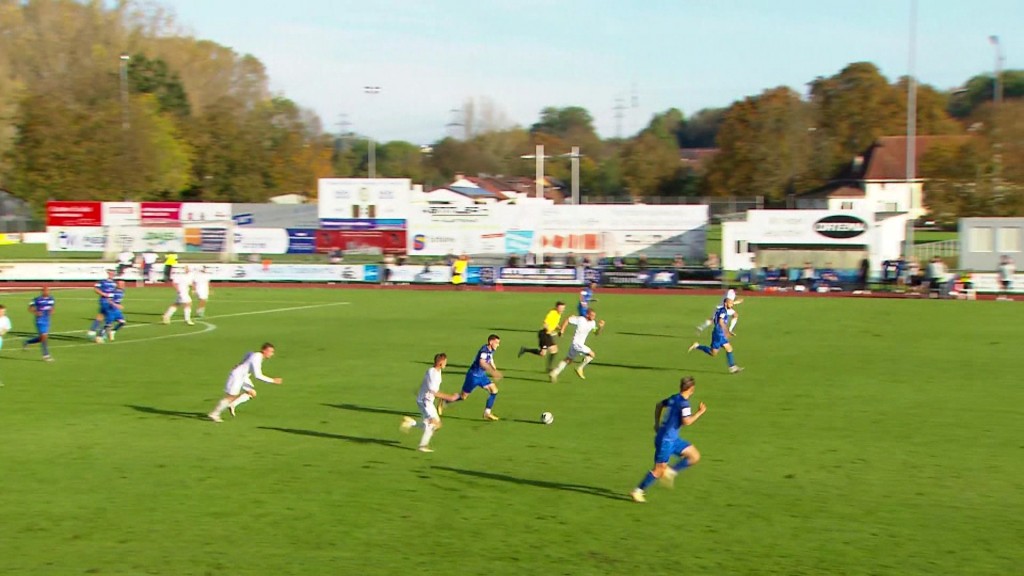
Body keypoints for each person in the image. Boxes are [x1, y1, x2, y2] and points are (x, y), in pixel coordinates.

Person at [629, 376, 706, 503]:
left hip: (672, 439)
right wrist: (700, 412)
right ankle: (638, 491)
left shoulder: (673, 398)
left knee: (694, 456)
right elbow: (687, 421)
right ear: (692, 389)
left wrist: (656, 423)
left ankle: (671, 472)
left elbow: (659, 405)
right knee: (659, 470)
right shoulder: (684, 404)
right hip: (666, 441)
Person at [207, 343, 283, 422]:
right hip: (237, 376)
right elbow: (257, 375)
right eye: (270, 351)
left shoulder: (255, 355)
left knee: (252, 393)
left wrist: (240, 363)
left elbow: (248, 354)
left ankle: (232, 404)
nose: (272, 354)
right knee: (231, 396)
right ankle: (214, 414)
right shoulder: (257, 357)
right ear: (264, 350)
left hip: (243, 376)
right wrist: (273, 380)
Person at [400, 353, 460, 452]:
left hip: (427, 401)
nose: (446, 364)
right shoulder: (432, 373)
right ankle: (422, 446)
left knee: (435, 424)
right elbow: (433, 392)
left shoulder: (437, 371)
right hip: (425, 401)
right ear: (440, 362)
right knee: (433, 424)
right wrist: (450, 397)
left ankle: (410, 423)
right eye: (445, 362)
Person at [439, 334, 503, 421]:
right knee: (463, 397)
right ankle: (444, 401)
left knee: (494, 390)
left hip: (482, 376)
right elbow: (482, 362)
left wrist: (494, 368)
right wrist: (492, 372)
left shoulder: (491, 350)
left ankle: (487, 413)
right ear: (491, 342)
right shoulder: (484, 351)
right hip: (473, 376)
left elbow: (490, 358)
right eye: (496, 343)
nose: (498, 345)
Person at [549, 308, 604, 382]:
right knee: (592, 354)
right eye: (592, 315)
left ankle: (554, 373)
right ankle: (580, 368)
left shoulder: (593, 323)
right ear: (587, 314)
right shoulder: (580, 319)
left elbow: (596, 333)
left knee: (568, 360)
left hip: (576, 345)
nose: (593, 317)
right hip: (577, 343)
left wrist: (600, 327)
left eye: (594, 316)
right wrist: (562, 330)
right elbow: (567, 320)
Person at [688, 299, 742, 374]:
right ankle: (697, 346)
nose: (732, 305)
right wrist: (726, 331)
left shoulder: (720, 310)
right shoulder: (723, 311)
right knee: (713, 353)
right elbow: (720, 321)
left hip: (720, 332)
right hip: (718, 334)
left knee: (729, 348)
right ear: (726, 303)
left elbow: (714, 319)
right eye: (730, 303)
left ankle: (732, 367)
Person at [518, 301, 566, 372]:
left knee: (543, 353)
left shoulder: (558, 314)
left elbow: (554, 323)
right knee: (553, 350)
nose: (562, 310)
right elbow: (545, 323)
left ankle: (525, 349)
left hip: (547, 335)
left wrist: (559, 328)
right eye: (560, 308)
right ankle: (549, 368)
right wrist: (549, 330)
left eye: (563, 308)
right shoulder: (552, 313)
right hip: (544, 334)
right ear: (556, 307)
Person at [24, 287, 55, 362]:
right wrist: (36, 312)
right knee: (44, 337)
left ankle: (27, 342)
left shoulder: (51, 299)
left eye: (48, 290)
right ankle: (46, 355)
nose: (47, 292)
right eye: (46, 290)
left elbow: (52, 307)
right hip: (40, 320)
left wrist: (51, 311)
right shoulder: (36, 299)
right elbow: (30, 308)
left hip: (47, 320)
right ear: (42, 291)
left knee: (42, 338)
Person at [87, 268, 117, 337]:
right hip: (104, 301)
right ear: (108, 273)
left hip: (111, 302)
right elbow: (96, 288)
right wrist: (103, 294)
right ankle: (101, 333)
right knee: (109, 316)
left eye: (113, 273)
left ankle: (93, 330)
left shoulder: (114, 283)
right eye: (111, 273)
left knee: (101, 315)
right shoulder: (103, 281)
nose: (112, 274)